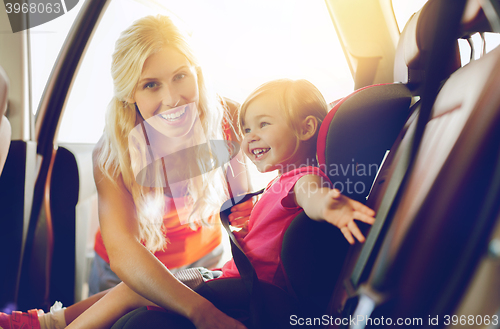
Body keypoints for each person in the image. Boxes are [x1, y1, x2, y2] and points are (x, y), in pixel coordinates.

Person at [0, 14, 252, 329]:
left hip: (206, 259)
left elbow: (243, 213)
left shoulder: (228, 118)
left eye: (180, 76)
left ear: (197, 75)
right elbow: (124, 252)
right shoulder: (112, 152)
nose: (172, 99)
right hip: (127, 274)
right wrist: (202, 311)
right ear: (130, 94)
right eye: (150, 85)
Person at [59, 78, 376, 329]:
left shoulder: (302, 178)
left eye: (264, 125)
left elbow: (312, 193)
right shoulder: (280, 183)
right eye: (247, 128)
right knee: (152, 285)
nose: (250, 137)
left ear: (306, 128)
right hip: (232, 279)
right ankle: (51, 322)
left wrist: (330, 206)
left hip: (248, 290)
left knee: (135, 289)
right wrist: (255, 215)